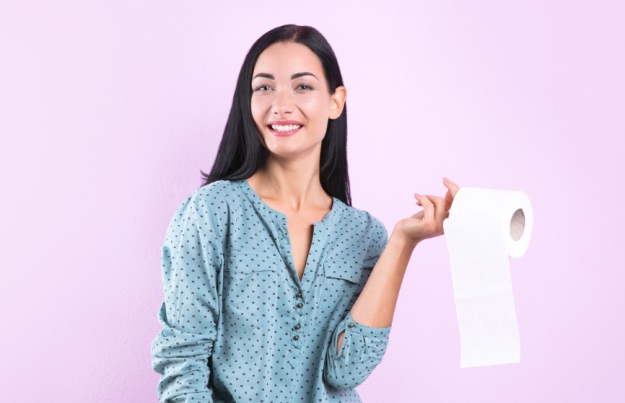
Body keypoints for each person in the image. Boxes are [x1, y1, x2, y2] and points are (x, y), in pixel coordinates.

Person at [151, 24, 459, 402]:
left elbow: (347, 369)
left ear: (335, 101)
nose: (281, 104)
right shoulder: (211, 213)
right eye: (264, 87)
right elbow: (183, 366)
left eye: (302, 86)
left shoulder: (364, 235)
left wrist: (403, 241)